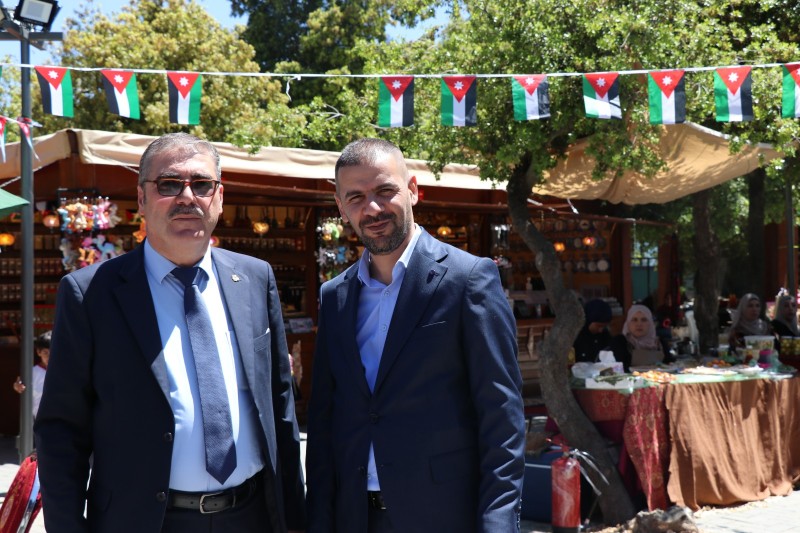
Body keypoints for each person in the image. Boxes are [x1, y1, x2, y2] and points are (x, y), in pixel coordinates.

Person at [34, 133, 305, 533]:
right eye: (169, 184)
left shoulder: (254, 277)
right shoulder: (90, 294)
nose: (187, 197)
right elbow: (61, 431)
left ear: (219, 197)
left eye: (202, 184)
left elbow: (280, 403)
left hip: (252, 516)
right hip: (146, 521)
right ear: (141, 199)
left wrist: (295, 518)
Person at [306, 138, 525, 532]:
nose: (372, 208)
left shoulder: (468, 279)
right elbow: (323, 422)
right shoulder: (334, 296)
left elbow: (502, 420)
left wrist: (498, 524)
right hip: (355, 518)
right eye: (356, 197)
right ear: (340, 206)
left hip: (443, 517)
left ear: (412, 190)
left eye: (385, 191)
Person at [610, 304, 668, 372]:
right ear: (628, 323)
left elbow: (670, 364)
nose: (639, 324)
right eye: (634, 320)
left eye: (644, 320)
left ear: (650, 323)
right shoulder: (620, 342)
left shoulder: (660, 343)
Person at [12, 330, 51, 418]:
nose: (49, 357)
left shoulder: (63, 371)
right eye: (45, 353)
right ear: (39, 352)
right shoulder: (32, 373)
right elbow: (19, 385)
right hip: (39, 419)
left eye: (53, 352)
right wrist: (17, 386)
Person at [573, 299, 613, 363]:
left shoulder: (605, 336)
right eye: (598, 326)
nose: (600, 330)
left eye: (604, 326)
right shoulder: (576, 337)